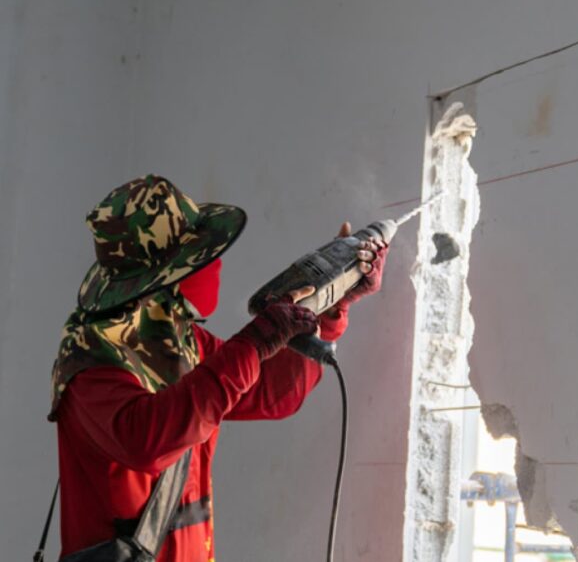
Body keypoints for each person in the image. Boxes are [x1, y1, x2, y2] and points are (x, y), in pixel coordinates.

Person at [48, 175, 387, 561]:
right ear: (165, 277)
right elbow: (148, 441)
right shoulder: (91, 359)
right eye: (201, 256)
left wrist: (330, 306)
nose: (214, 265)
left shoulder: (175, 338)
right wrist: (255, 342)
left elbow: (271, 393)